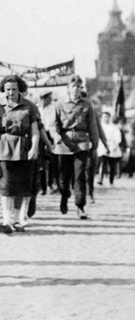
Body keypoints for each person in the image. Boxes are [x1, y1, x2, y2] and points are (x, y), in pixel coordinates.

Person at [51, 76, 99, 219]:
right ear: (68, 88)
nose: (76, 89)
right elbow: (54, 124)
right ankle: (64, 196)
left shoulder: (87, 105)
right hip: (64, 144)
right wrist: (56, 136)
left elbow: (92, 125)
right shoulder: (60, 104)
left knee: (80, 176)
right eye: (74, 86)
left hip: (81, 143)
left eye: (79, 87)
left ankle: (80, 206)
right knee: (63, 177)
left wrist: (95, 144)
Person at [0, 75, 40, 233]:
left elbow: (35, 131)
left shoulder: (29, 106)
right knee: (6, 185)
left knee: (21, 186)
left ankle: (17, 220)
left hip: (23, 148)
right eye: (7, 89)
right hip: (4, 148)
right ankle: (6, 221)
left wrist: (33, 148)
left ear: (20, 89)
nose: (11, 92)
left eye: (14, 89)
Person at [98, 110, 123, 186]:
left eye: (107, 117)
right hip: (103, 146)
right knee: (102, 163)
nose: (106, 119)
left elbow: (118, 138)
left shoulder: (114, 127)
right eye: (104, 117)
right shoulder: (100, 127)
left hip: (112, 146)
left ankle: (111, 181)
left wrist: (115, 146)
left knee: (112, 165)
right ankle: (100, 179)